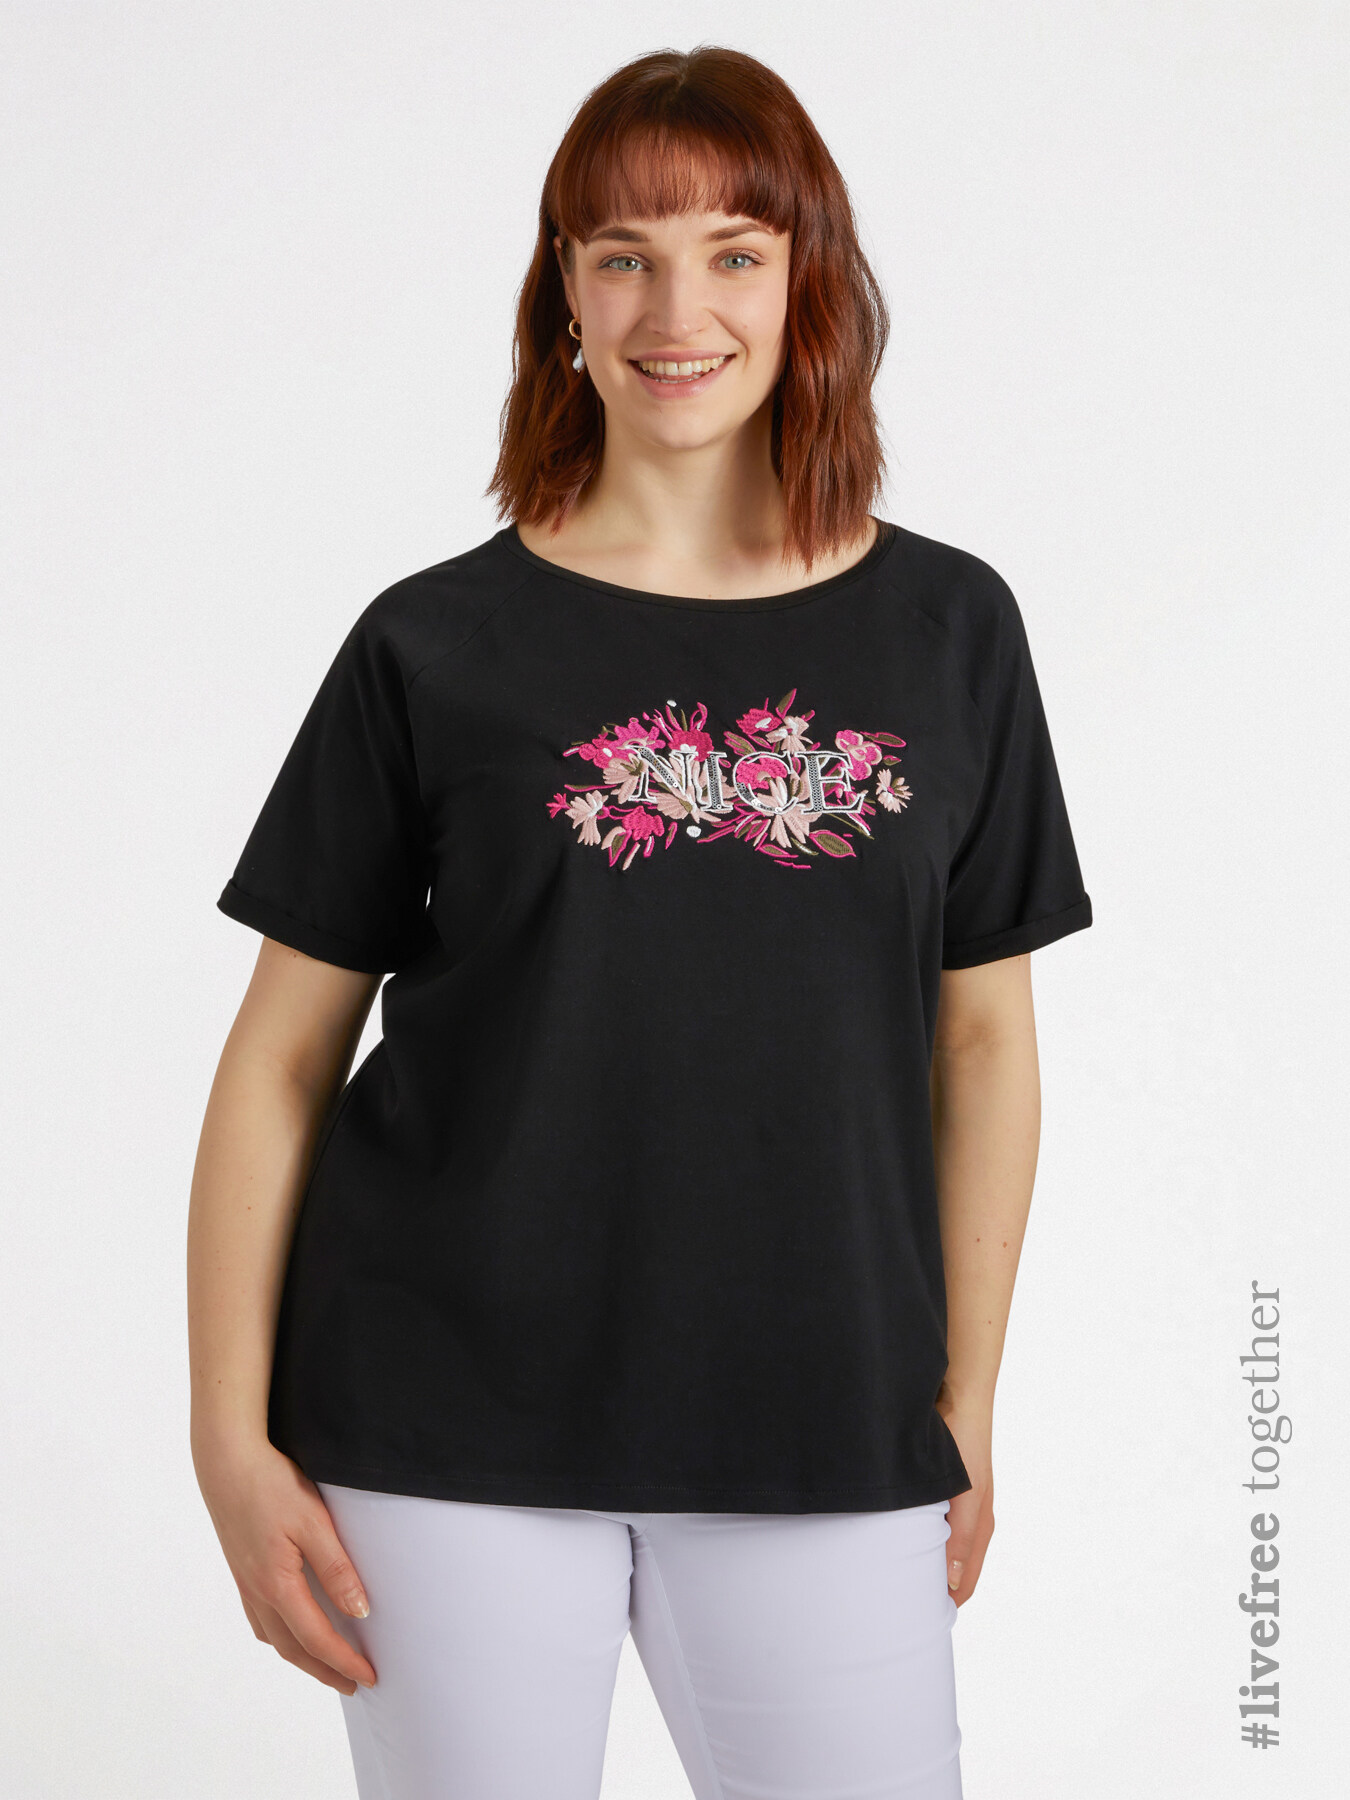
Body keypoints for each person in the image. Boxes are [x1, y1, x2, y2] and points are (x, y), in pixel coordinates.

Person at [188, 44, 1093, 1800]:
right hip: (440, 1419)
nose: (677, 311)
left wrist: (965, 1400)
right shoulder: (433, 644)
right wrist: (230, 1436)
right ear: (565, 295)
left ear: (806, 279)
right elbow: (282, 1056)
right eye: (624, 256)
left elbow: (983, 1039)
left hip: (824, 1408)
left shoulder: (949, 631)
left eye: (732, 251)